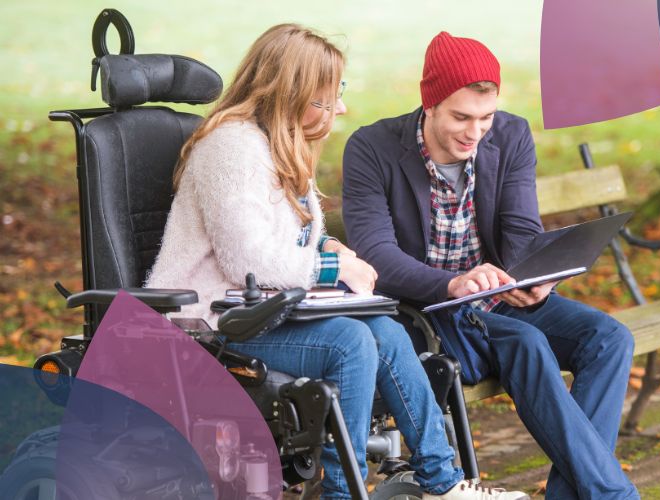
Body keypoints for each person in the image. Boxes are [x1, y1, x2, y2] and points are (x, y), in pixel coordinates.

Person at [146, 24, 528, 500]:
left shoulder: (278, 143)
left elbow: (290, 236)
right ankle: (341, 494)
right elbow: (248, 258)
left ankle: (443, 483)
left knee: (386, 331)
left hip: (262, 312)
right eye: (326, 100)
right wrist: (333, 269)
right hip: (208, 322)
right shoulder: (232, 147)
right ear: (290, 93)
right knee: (350, 342)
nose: (340, 109)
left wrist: (332, 249)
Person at [342, 31, 640, 500]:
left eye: (485, 117)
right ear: (430, 103)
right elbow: (376, 255)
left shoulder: (511, 135)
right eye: (461, 117)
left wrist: (534, 276)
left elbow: (520, 230)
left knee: (608, 339)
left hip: (495, 296)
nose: (474, 132)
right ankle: (614, 495)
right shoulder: (372, 148)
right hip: (426, 309)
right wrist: (453, 283)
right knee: (526, 342)